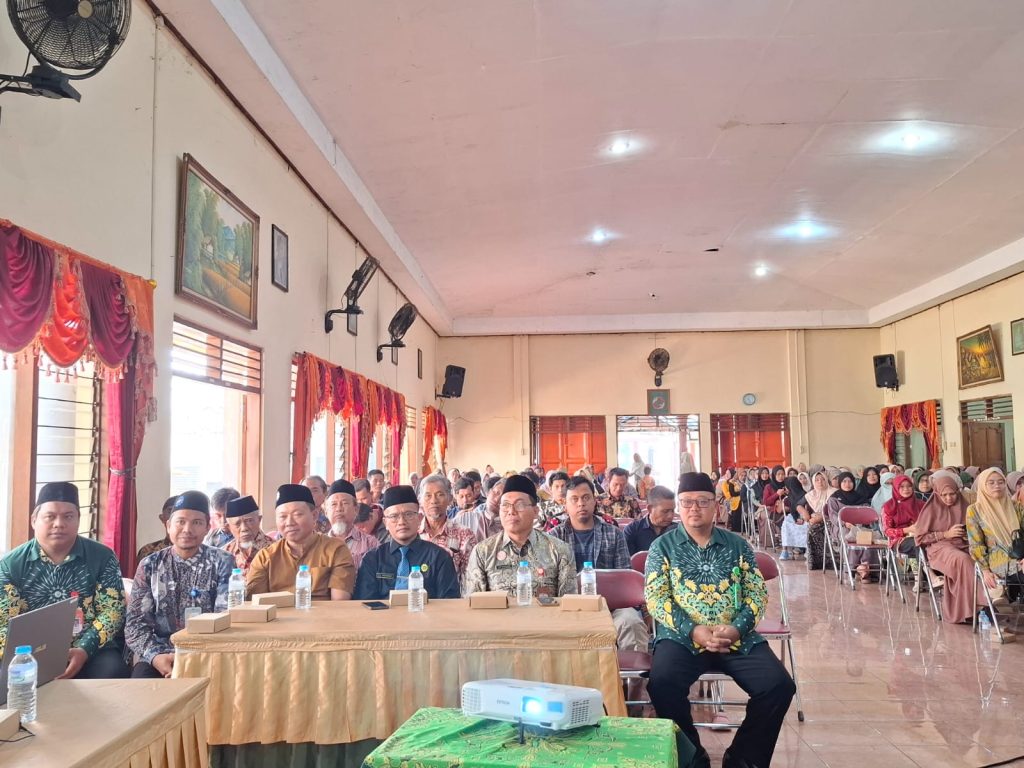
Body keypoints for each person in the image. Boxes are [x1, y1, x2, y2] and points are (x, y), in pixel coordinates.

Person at [645, 473, 795, 768]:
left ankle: (743, 760)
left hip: (736, 638)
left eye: (703, 501)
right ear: (679, 507)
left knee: (778, 686)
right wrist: (694, 630)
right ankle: (691, 760)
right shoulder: (662, 547)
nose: (694, 509)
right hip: (681, 638)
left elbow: (756, 595)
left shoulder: (737, 546)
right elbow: (657, 599)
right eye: (687, 502)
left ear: (716, 506)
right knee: (662, 683)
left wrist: (736, 628)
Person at [0, 482, 128, 678]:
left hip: (92, 649)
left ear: (78, 519)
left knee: (112, 671)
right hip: (28, 652)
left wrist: (84, 649)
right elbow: (4, 622)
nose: (59, 524)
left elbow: (112, 611)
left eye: (68, 516)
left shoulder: (102, 557)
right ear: (34, 520)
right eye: (50, 516)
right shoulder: (11, 564)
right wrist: (33, 654)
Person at [125, 491, 234, 678]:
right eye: (180, 521)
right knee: (141, 688)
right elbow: (135, 624)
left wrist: (191, 657)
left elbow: (225, 618)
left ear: (208, 527)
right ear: (168, 525)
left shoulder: (223, 562)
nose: (187, 529)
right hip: (158, 652)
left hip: (209, 653)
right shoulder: (150, 565)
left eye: (197, 523)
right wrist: (156, 656)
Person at [550, 477, 648, 651]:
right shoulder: (554, 537)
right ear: (565, 504)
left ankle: (632, 678)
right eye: (574, 499)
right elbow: (551, 582)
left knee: (631, 622)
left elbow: (624, 578)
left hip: (611, 607)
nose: (581, 503)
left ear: (595, 501)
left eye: (586, 498)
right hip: (568, 609)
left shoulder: (613, 533)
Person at [464, 474, 577, 598]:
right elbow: (473, 603)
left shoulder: (559, 551)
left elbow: (568, 606)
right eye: (505, 505)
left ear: (535, 512)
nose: (511, 511)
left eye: (520, 505)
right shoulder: (483, 552)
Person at [246, 484, 355, 600]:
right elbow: (255, 604)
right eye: (282, 517)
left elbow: (339, 604)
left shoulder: (336, 550)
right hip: (278, 617)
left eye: (297, 514)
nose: (289, 522)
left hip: (323, 617)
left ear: (314, 516)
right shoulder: (265, 557)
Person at [353, 486, 461, 600]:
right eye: (394, 516)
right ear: (385, 523)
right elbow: (365, 604)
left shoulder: (439, 557)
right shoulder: (373, 559)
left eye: (409, 514)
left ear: (419, 518)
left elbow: (448, 604)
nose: (402, 522)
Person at [914, 473, 976, 623]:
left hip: (964, 545)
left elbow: (976, 530)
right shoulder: (931, 510)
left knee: (977, 559)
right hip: (939, 549)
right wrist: (945, 534)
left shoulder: (965, 506)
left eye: (952, 494)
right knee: (962, 560)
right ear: (937, 494)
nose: (949, 498)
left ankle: (968, 610)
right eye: (944, 495)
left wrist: (967, 534)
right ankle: (982, 606)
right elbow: (920, 538)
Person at [967, 468, 1024, 603]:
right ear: (983, 485)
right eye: (991, 483)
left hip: (1020, 557)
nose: (997, 486)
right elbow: (976, 544)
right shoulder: (974, 511)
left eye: (1000, 482)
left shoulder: (1016, 506)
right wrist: (985, 571)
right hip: (996, 561)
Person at [417, 474, 478, 586]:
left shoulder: (464, 534)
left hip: (451, 598)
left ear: (450, 499)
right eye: (428, 496)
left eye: (440, 495)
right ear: (420, 500)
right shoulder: (413, 533)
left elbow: (469, 578)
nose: (433, 501)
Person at [826, 471, 878, 582]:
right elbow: (833, 516)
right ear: (840, 483)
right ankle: (853, 568)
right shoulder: (834, 498)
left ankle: (865, 567)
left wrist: (859, 524)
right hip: (842, 527)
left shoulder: (860, 497)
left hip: (860, 526)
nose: (847, 484)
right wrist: (845, 523)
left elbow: (867, 513)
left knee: (867, 537)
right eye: (844, 481)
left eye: (850, 481)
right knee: (849, 536)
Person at [324, 479, 379, 569]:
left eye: (345, 503)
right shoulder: (317, 545)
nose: (339, 509)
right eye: (333, 504)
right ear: (326, 512)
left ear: (356, 509)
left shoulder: (371, 544)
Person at [222, 495, 272, 574]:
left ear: (259, 520)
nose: (244, 528)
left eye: (249, 521)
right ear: (229, 527)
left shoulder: (275, 549)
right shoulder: (225, 552)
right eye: (237, 524)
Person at [881, 474, 924, 565]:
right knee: (918, 544)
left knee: (933, 543)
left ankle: (926, 574)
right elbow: (887, 531)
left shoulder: (921, 505)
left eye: (909, 486)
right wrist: (907, 530)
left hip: (921, 535)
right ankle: (930, 574)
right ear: (896, 488)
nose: (906, 489)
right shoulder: (889, 506)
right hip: (899, 540)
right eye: (902, 486)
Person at [623, 486, 678, 555]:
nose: (670, 516)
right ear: (650, 509)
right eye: (665, 511)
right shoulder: (632, 531)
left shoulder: (678, 531)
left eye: (672, 510)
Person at [455, 475, 505, 543]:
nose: (497, 499)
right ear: (489, 492)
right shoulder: (465, 518)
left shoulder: (509, 526)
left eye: (503, 498)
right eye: (496, 492)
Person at [803, 469, 835, 571]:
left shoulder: (833, 492)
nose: (820, 482)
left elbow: (833, 511)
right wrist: (807, 515)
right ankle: (815, 562)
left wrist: (820, 517)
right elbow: (798, 504)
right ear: (813, 482)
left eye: (822, 479)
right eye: (817, 480)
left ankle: (829, 561)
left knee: (813, 528)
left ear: (826, 480)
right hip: (817, 521)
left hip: (831, 521)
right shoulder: (811, 494)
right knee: (811, 528)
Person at [136, 495, 177, 562]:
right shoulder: (148, 551)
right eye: (170, 511)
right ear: (162, 518)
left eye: (178, 512)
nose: (174, 517)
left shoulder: (196, 552)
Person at [779, 476, 808, 561]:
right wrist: (796, 519)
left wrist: (802, 518)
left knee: (806, 525)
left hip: (805, 516)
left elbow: (807, 509)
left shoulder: (805, 494)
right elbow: (792, 509)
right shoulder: (791, 495)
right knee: (786, 524)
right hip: (795, 516)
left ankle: (807, 549)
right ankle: (785, 551)